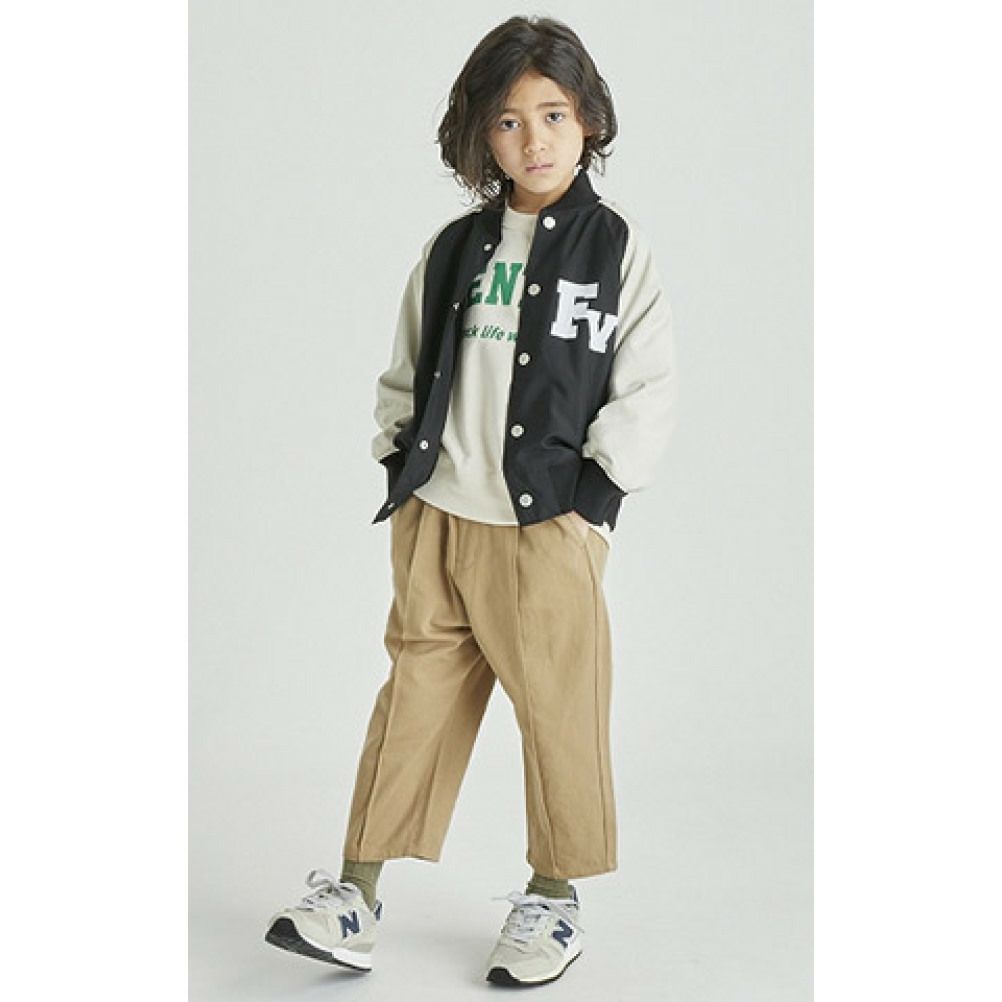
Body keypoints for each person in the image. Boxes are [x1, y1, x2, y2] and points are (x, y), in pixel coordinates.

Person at [265, 13, 676, 987]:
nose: (533, 140)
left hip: (546, 529)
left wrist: (590, 504)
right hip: (439, 520)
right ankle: (355, 895)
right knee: (410, 703)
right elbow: (406, 368)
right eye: (508, 120)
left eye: (553, 114)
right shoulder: (455, 249)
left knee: (560, 712)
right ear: (480, 135)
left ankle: (554, 900)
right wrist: (402, 468)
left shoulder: (615, 250)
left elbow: (647, 388)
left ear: (588, 120)